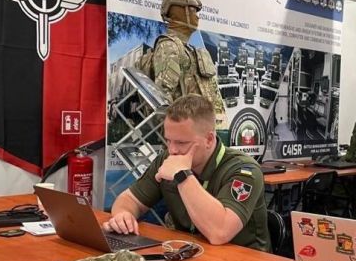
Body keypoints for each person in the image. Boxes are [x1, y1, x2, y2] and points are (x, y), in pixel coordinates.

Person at [106, 94, 269, 252]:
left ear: (209, 139)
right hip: (191, 253)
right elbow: (129, 199)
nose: (172, 150)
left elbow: (219, 233)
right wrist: (123, 215)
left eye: (181, 142)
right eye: (168, 140)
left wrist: (183, 176)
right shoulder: (168, 158)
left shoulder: (244, 170)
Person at [153, 0, 229, 143]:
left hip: (206, 135)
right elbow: (162, 98)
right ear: (180, 11)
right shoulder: (169, 46)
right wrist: (178, 138)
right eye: (193, 10)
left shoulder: (191, 50)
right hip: (189, 139)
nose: (197, 16)